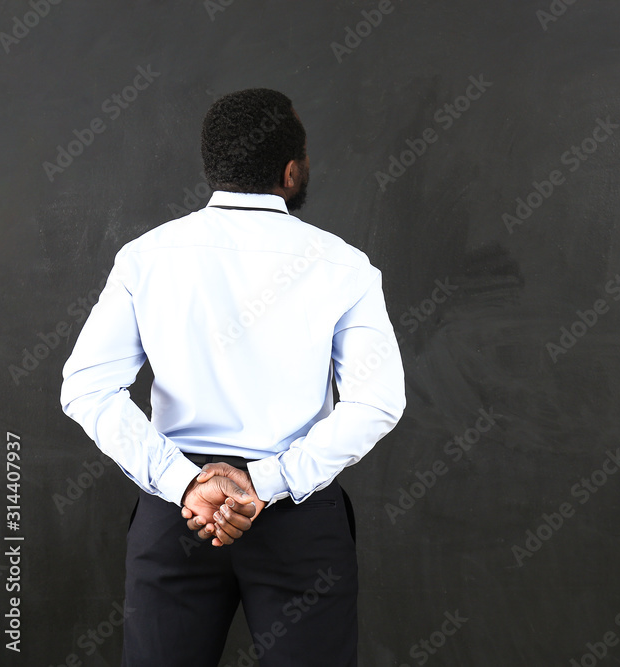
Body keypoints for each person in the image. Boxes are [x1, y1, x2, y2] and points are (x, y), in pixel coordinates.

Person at [59, 88, 405, 667]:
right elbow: (377, 403)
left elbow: (86, 387)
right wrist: (264, 483)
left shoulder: (146, 257)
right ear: (291, 171)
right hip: (298, 521)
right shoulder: (344, 265)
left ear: (213, 168)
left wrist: (187, 485)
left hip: (177, 520)